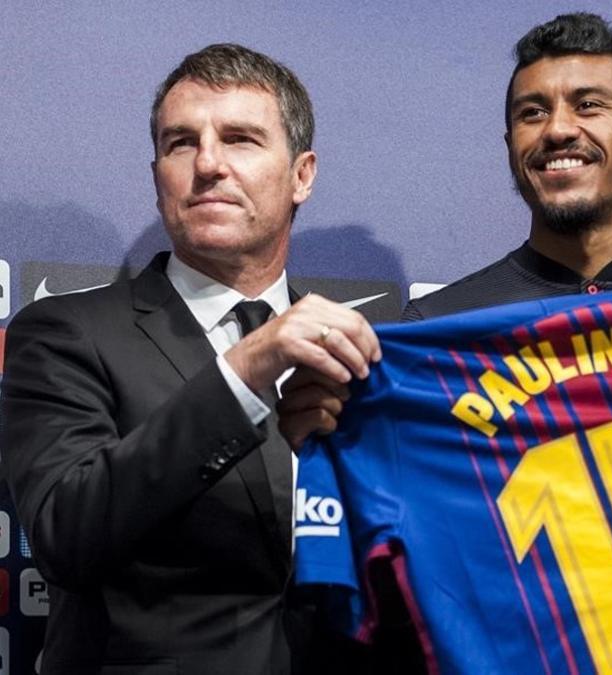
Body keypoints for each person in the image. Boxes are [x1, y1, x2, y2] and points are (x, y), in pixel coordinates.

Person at [0, 43, 379, 674]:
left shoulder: (357, 351)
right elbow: (67, 534)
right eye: (181, 143)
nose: (207, 164)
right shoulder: (63, 334)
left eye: (240, 139)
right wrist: (246, 370)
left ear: (302, 175)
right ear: (158, 179)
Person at [280, 12, 612, 446]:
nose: (557, 130)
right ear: (510, 146)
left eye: (589, 105)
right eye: (532, 113)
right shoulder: (438, 327)